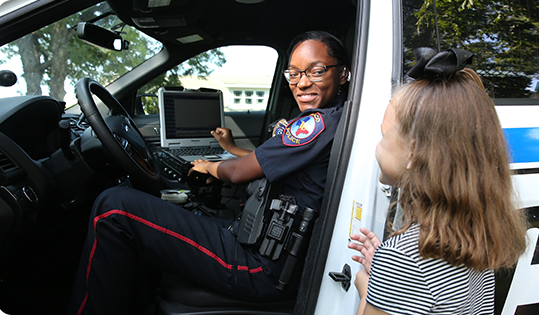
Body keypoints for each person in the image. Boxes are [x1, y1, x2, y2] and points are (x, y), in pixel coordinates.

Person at [68, 30, 350, 315]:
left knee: (114, 206)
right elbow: (265, 160)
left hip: (260, 267)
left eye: (316, 71)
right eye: (294, 73)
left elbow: (240, 172)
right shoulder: (331, 120)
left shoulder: (317, 125)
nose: (302, 83)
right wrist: (229, 148)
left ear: (343, 74)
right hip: (258, 243)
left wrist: (208, 166)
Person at [348, 47, 528, 315]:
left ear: (414, 152)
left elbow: (408, 276)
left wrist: (367, 287)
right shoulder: (474, 235)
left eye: (384, 135)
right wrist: (386, 280)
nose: (378, 145)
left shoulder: (403, 258)